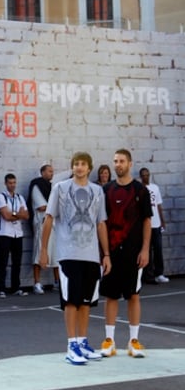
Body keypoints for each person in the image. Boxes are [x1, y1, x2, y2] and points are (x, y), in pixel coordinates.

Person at [39, 152, 111, 365]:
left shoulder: (97, 191)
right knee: (71, 301)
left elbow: (101, 223)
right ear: (72, 168)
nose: (79, 167)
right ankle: (71, 345)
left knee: (86, 302)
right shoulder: (60, 189)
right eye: (76, 164)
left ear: (89, 168)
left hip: (91, 255)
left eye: (83, 164)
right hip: (68, 253)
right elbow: (49, 218)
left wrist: (106, 254)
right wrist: (43, 249)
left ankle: (82, 342)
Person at [99, 149, 152, 358]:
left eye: (121, 161)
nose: (117, 164)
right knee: (111, 296)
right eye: (115, 161)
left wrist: (145, 249)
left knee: (133, 295)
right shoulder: (107, 190)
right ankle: (109, 340)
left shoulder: (140, 191)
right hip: (111, 251)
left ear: (130, 164)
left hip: (134, 251)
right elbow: (101, 223)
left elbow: (147, 221)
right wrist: (104, 253)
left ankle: (133, 341)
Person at [0, 173, 29, 298]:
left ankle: (16, 287)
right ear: (5, 183)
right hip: (4, 233)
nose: (12, 185)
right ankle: (1, 288)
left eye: (14, 183)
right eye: (10, 183)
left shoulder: (20, 197)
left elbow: (26, 215)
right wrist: (17, 213)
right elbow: (6, 216)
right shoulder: (1, 197)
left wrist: (15, 214)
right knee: (3, 261)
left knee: (17, 261)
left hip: (17, 233)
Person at [28, 164, 57, 294]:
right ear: (42, 172)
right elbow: (41, 206)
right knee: (39, 253)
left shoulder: (52, 187)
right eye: (49, 171)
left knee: (56, 253)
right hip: (41, 223)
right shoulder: (36, 186)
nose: (52, 173)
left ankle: (57, 282)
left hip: (53, 224)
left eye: (52, 171)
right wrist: (53, 206)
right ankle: (37, 283)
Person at [139, 167, 169, 284]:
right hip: (145, 225)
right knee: (147, 251)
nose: (146, 177)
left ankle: (159, 273)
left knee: (158, 249)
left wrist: (162, 221)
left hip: (156, 224)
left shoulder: (155, 187)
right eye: (144, 175)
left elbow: (158, 206)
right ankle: (149, 276)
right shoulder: (140, 188)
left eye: (147, 175)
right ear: (141, 177)